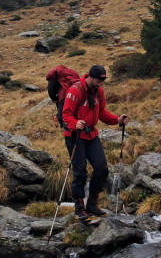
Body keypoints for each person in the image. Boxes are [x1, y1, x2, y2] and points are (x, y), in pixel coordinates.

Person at [62, 65, 128, 221]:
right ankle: (79, 209)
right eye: (98, 81)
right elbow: (66, 114)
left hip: (91, 134)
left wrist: (117, 120)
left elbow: (102, 112)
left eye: (102, 81)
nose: (100, 84)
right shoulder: (75, 91)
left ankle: (92, 204)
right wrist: (75, 123)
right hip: (75, 136)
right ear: (90, 77)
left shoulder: (99, 91)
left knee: (102, 168)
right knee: (80, 173)